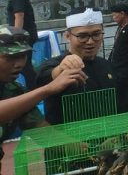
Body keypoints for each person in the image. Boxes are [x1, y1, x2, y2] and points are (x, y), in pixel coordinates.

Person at [0, 26, 84, 171]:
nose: (19, 64)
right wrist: (48, 89)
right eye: (10, 57)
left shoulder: (14, 91)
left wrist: (94, 150)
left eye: (23, 56)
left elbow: (44, 134)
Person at [36, 8, 118, 124]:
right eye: (82, 36)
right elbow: (43, 78)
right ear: (67, 36)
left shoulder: (106, 65)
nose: (90, 41)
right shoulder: (55, 64)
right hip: (68, 134)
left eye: (96, 34)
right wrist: (60, 70)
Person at [0, 0, 38, 86]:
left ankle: (34, 87)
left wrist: (17, 35)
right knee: (22, 65)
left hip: (22, 37)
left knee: (24, 66)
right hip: (22, 36)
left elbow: (19, 16)